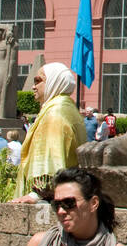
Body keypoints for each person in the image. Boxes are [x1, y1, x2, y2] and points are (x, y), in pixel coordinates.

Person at [13, 63, 85, 202]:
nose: (33, 86)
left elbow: (53, 159)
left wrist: (37, 194)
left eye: (38, 81)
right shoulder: (65, 106)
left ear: (54, 81)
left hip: (50, 197)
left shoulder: (55, 112)